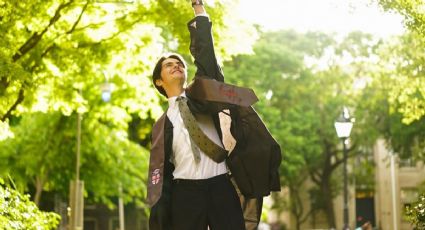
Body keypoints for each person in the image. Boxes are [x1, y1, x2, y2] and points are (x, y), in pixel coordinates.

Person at [146, 1, 282, 229]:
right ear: (159, 81)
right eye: (169, 65)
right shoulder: (161, 125)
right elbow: (161, 173)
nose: (176, 66)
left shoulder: (203, 97)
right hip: (185, 193)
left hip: (220, 187)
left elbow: (207, 58)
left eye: (179, 63)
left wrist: (199, 9)